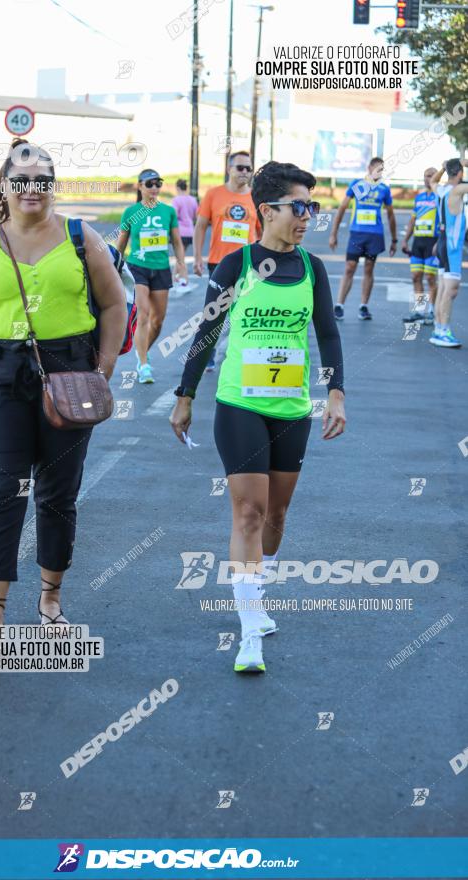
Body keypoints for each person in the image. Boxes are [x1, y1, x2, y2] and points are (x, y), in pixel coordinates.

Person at [170, 161, 346, 675]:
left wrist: (335, 391)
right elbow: (205, 335)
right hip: (240, 405)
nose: (308, 216)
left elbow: (328, 335)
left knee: (276, 516)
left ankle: (257, 587)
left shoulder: (312, 269)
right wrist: (186, 395)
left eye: (312, 208)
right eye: (300, 207)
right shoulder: (237, 267)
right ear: (266, 210)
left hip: (291, 410)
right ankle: (249, 632)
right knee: (247, 513)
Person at [0, 138, 126, 629]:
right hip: (2, 378)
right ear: (3, 185)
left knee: (58, 492)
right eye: (22, 180)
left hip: (70, 373)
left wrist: (102, 372)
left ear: (54, 186)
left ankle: (50, 598)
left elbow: (114, 306)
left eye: (43, 180)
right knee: (3, 493)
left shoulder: (79, 237)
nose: (33, 188)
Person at [116, 169, 188, 384]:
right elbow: (121, 243)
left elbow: (176, 241)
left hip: (161, 268)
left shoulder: (168, 211)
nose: (154, 188)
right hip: (137, 267)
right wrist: (114, 267)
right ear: (140, 186)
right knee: (144, 316)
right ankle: (145, 365)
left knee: (158, 321)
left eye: (158, 183)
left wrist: (181, 265)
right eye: (150, 184)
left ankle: (141, 354)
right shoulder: (131, 212)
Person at [193, 151, 261, 370]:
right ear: (229, 169)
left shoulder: (256, 197)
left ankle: (238, 351)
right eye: (240, 168)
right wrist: (196, 257)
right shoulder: (213, 194)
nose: (244, 173)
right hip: (219, 261)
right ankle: (209, 352)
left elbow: (263, 232)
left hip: (247, 263)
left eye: (248, 169)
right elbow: (201, 226)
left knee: (243, 310)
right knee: (216, 311)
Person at [329, 157, 397, 321]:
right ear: (369, 168)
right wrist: (334, 233)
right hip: (357, 234)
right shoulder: (357, 184)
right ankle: (339, 305)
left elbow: (390, 214)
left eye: (381, 169)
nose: (379, 172)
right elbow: (342, 208)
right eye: (376, 168)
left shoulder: (384, 189)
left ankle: (363, 306)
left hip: (374, 235)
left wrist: (394, 239)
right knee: (349, 267)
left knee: (368, 268)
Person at [427, 157, 468, 347]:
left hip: (442, 243)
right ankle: (443, 332)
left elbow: (433, 181)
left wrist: (443, 168)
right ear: (460, 173)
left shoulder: (441, 189)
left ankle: (438, 328)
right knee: (450, 291)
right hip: (451, 247)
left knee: (443, 288)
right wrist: (465, 163)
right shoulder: (457, 189)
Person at [401, 167, 438, 325]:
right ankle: (419, 311)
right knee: (416, 276)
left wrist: (440, 242)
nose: (427, 178)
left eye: (430, 176)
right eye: (425, 176)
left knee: (430, 278)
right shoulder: (419, 197)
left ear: (437, 177)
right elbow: (412, 220)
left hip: (433, 241)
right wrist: (405, 240)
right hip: (418, 242)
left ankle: (431, 311)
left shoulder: (440, 196)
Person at [172, 179, 198, 293]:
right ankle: (174, 279)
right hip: (190, 231)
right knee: (180, 257)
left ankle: (184, 280)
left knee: (180, 258)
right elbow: (195, 215)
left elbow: (174, 216)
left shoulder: (176, 200)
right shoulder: (193, 200)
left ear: (177, 188)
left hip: (179, 232)